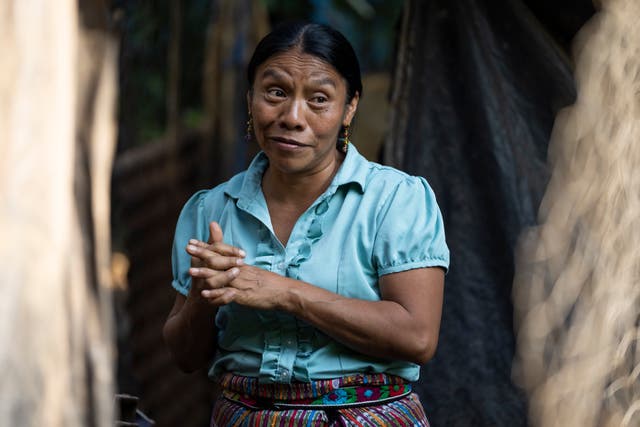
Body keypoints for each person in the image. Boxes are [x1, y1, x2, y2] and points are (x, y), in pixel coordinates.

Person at [163, 21, 449, 426]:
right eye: (276, 92)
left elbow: (418, 337)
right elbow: (184, 356)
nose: (292, 117)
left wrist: (286, 293)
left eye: (318, 99)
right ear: (250, 99)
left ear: (349, 108)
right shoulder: (210, 210)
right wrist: (203, 295)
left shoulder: (395, 201)